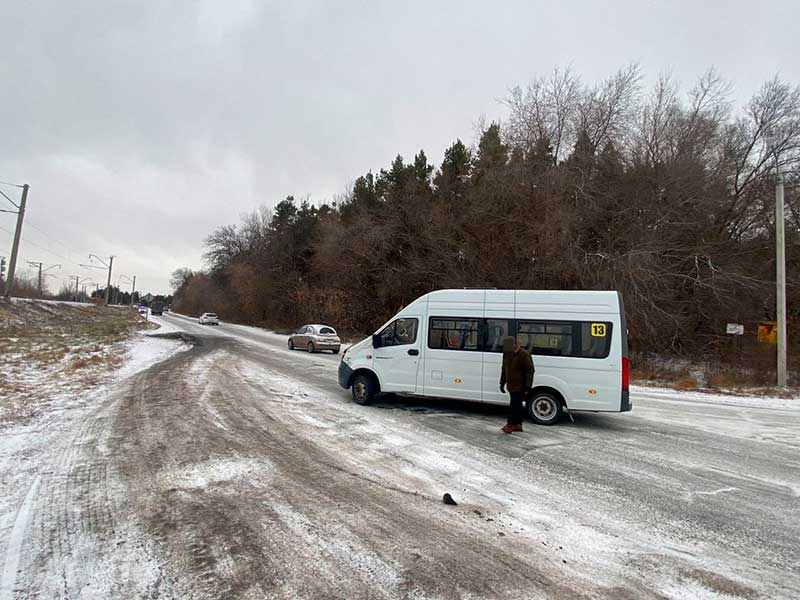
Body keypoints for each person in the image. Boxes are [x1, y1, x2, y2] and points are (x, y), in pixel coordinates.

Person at [499, 336, 534, 434]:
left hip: (520, 385)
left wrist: (528, 385)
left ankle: (511, 424)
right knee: (517, 405)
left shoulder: (524, 354)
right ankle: (518, 424)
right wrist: (502, 382)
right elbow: (504, 369)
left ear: (515, 344)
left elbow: (529, 371)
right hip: (511, 385)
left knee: (514, 406)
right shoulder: (506, 354)